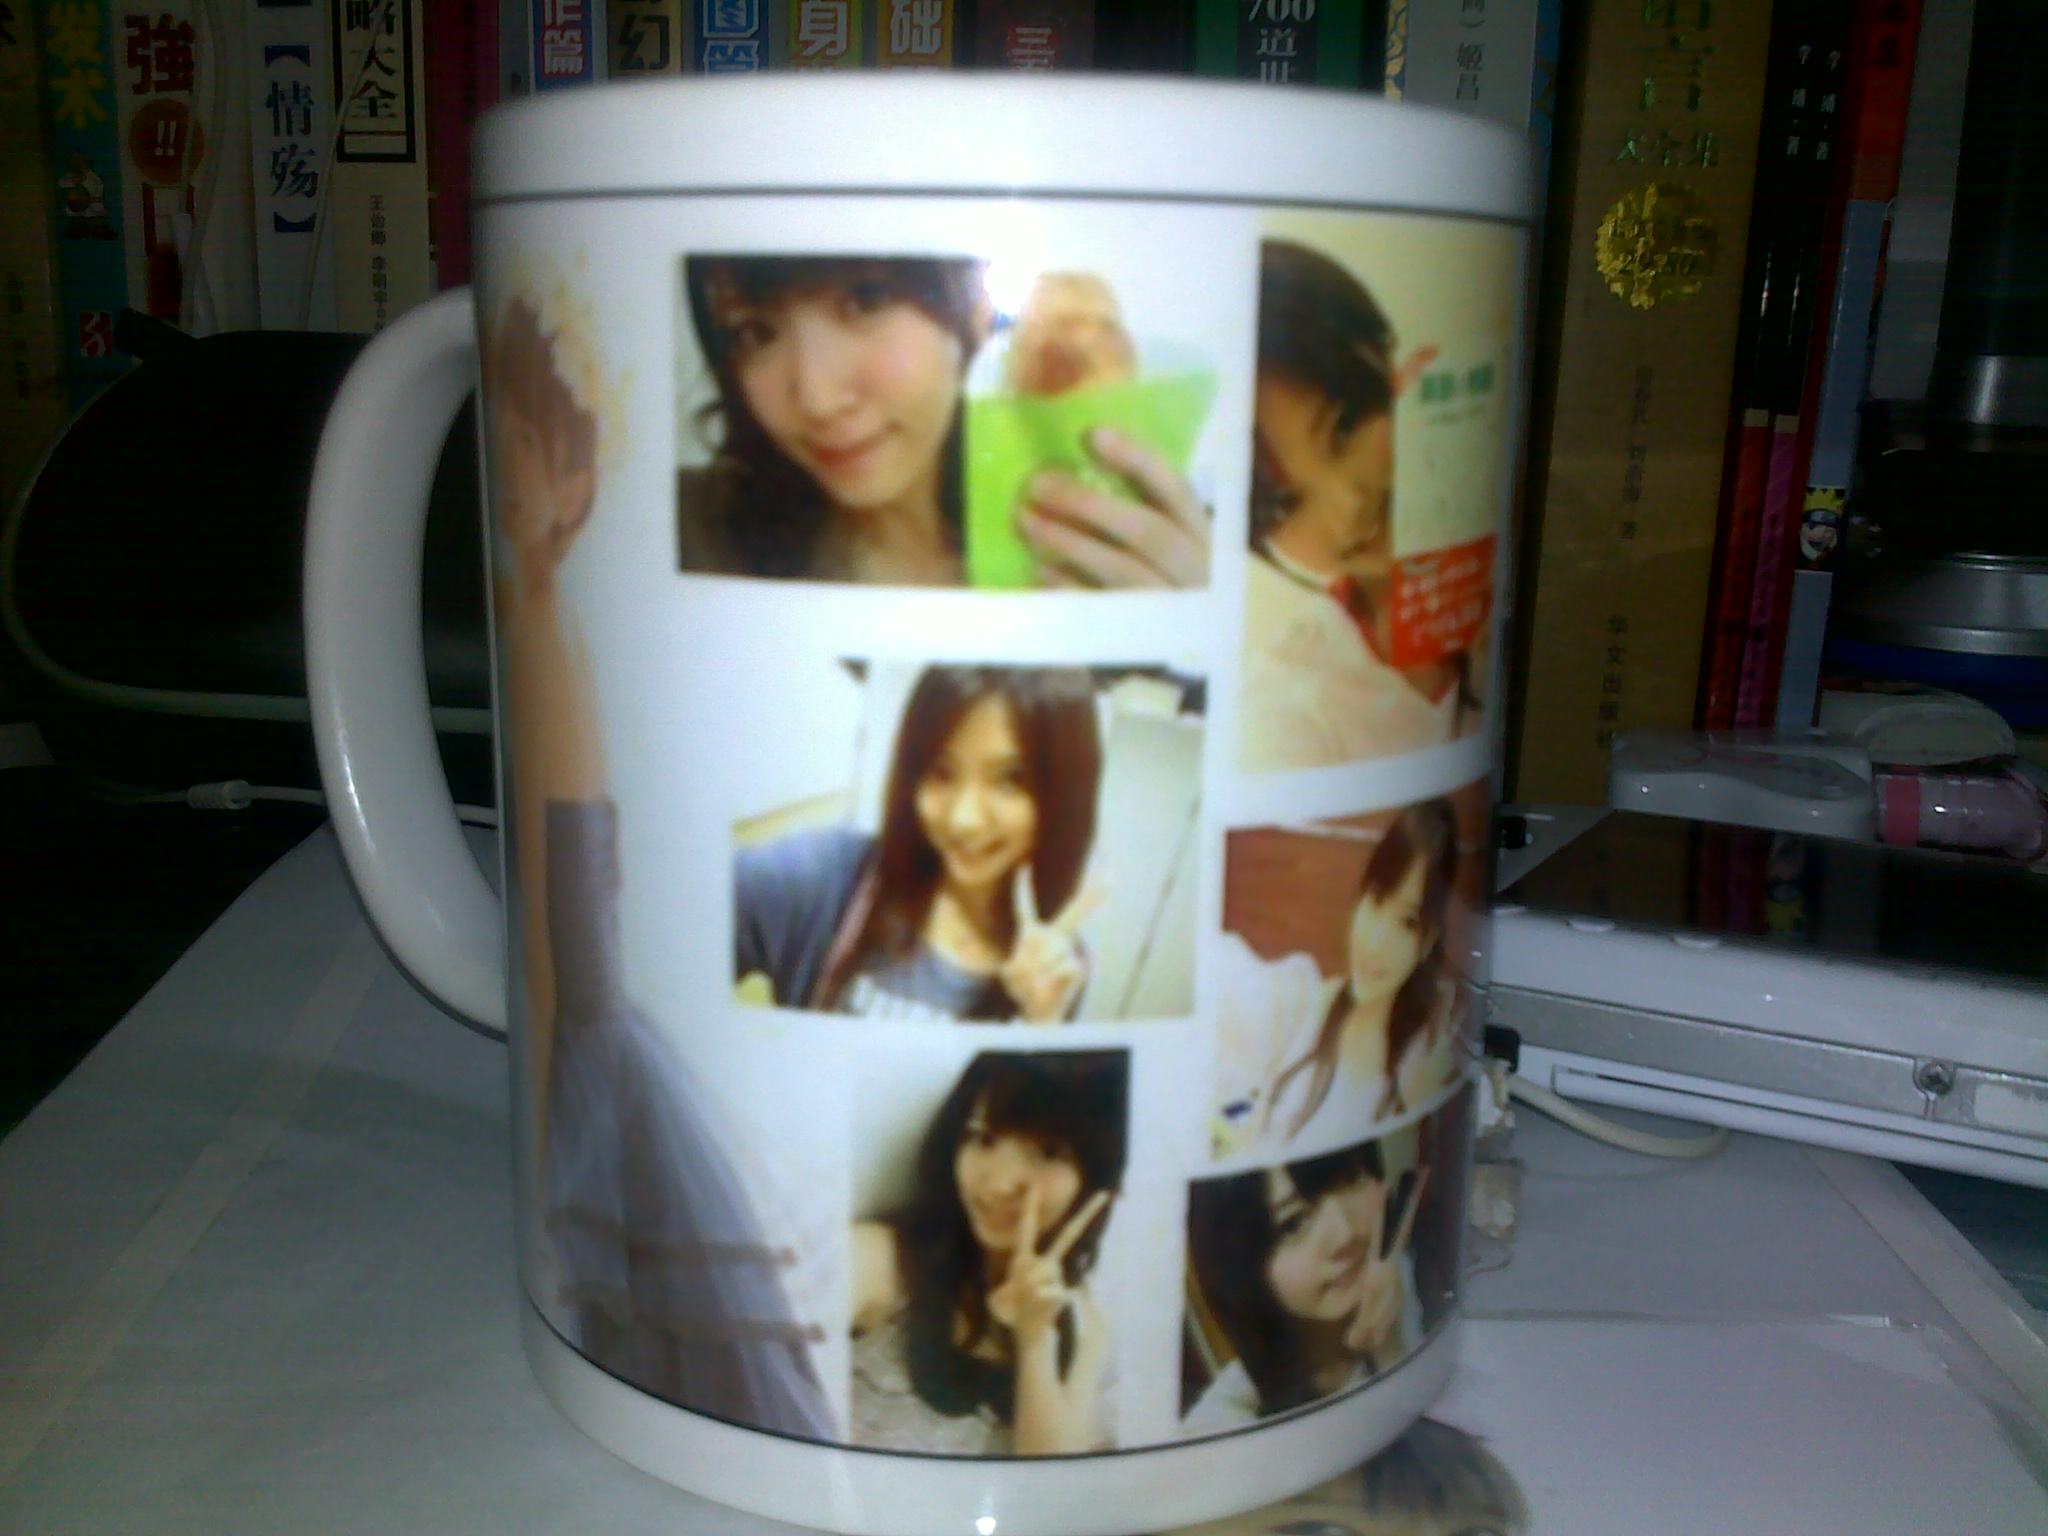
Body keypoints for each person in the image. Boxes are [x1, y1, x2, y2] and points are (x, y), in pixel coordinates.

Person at [486, 294, 835, 1441]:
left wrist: (559, 1078)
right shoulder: (542, 620)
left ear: (574, 479)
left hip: (595, 1038)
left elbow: (574, 902)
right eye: (501, 439)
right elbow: (563, 902)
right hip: (591, 1039)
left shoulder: (550, 625)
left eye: (530, 444)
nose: (511, 473)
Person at [680, 254, 1208, 587]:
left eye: (866, 299)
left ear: (975, 309)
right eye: (753, 334)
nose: (817, 398)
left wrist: (1187, 634)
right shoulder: (695, 536)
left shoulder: (1104, 521)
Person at [734, 665, 1105, 1022]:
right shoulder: (826, 879)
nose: (963, 819)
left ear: (1064, 796)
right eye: (941, 772)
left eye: (1010, 780)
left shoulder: (1054, 965)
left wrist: (1042, 1024)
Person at [1240, 239, 1481, 772]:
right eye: (1284, 505)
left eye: (1344, 429)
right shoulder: (1289, 700)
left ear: (1399, 374)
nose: (1345, 505)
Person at [852, 1051, 1125, 1454]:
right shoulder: (878, 1259)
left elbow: (1052, 1482)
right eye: (984, 1138)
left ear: (1097, 1181)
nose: (998, 1184)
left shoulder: (1089, 1332)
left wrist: (1036, 1341)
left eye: (1049, 1151)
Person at [1213, 802, 1466, 1158]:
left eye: (1407, 923)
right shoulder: (1297, 1008)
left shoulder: (1423, 1061)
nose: (1375, 943)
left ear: (1428, 942)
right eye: (1376, 901)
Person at [1183, 1140, 1427, 1434]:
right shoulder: (1223, 1424)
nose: (1345, 1233)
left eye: (1350, 1179)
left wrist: (1389, 1346)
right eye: (1293, 1223)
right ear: (1243, 1269)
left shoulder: (1399, 1277)